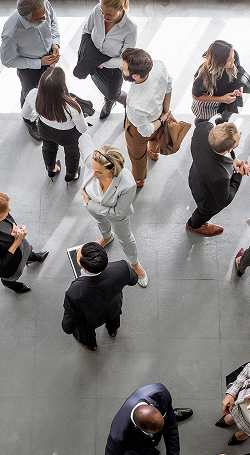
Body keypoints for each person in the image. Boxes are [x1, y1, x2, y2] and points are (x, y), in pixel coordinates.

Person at [78, 133, 148, 287]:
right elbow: (83, 139)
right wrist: (82, 130)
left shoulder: (127, 184)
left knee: (126, 238)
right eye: (93, 169)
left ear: (113, 169)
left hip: (114, 214)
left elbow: (118, 213)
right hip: (93, 205)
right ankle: (107, 236)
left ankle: (134, 263)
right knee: (100, 221)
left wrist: (90, 204)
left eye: (99, 172)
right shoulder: (93, 162)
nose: (93, 174)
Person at [104, 383, 193, 455]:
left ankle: (171, 416)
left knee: (169, 421)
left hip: (157, 415)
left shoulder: (160, 392)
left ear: (152, 405)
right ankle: (146, 453)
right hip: (135, 446)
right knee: (141, 452)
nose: (161, 432)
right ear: (136, 427)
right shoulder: (119, 436)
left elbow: (171, 429)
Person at [62, 242, 138, 352]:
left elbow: (69, 326)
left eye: (79, 252)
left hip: (90, 318)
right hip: (113, 306)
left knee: (86, 333)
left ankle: (92, 346)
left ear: (85, 269)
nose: (78, 249)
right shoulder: (122, 267)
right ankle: (112, 332)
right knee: (114, 320)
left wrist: (67, 327)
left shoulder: (75, 292)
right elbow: (134, 280)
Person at [1, 0, 60, 140]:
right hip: (28, 68)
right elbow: (7, 61)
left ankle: (45, 114)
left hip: (49, 58)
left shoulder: (43, 4)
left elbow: (53, 21)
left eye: (44, 13)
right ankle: (29, 121)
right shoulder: (11, 32)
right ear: (26, 18)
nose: (44, 18)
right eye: (39, 18)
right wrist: (38, 62)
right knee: (30, 95)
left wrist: (55, 43)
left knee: (48, 89)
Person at [21, 66, 87, 182]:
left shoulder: (33, 95)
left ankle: (51, 169)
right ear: (62, 86)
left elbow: (25, 114)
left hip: (45, 130)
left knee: (48, 148)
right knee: (72, 153)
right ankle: (72, 174)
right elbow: (83, 129)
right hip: (68, 135)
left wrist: (39, 116)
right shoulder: (72, 106)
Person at [186, 122, 250, 236]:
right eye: (239, 137)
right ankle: (194, 225)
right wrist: (239, 174)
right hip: (206, 198)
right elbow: (224, 200)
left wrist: (233, 159)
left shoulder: (203, 128)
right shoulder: (220, 177)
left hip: (194, 175)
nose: (240, 133)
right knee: (203, 212)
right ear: (228, 150)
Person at [122, 47, 174, 187]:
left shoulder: (134, 104)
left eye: (124, 68)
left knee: (137, 156)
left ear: (135, 76)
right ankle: (154, 151)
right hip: (160, 114)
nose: (121, 67)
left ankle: (139, 180)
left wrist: (162, 119)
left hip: (140, 128)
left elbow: (145, 130)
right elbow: (169, 85)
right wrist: (166, 113)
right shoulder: (159, 65)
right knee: (156, 136)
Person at [77, 0, 137, 119]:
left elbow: (125, 59)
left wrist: (103, 63)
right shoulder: (97, 9)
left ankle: (128, 106)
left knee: (113, 93)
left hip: (113, 69)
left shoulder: (130, 28)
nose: (103, 16)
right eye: (102, 12)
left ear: (121, 9)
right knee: (104, 89)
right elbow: (86, 32)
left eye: (109, 14)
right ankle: (108, 100)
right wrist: (87, 57)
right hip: (93, 60)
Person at [0, 192, 48, 293]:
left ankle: (32, 257)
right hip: (10, 265)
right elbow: (1, 263)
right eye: (6, 211)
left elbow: (9, 219)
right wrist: (16, 242)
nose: (9, 211)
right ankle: (12, 286)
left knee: (27, 251)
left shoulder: (2, 210)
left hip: (21, 246)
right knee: (10, 279)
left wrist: (16, 228)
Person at [192, 40, 243, 126]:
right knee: (202, 120)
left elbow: (239, 72)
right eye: (229, 60)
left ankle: (221, 122)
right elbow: (195, 95)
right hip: (209, 101)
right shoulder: (202, 76)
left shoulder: (233, 56)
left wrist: (240, 87)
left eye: (233, 56)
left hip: (228, 96)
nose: (233, 60)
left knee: (227, 114)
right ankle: (202, 129)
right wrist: (222, 99)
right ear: (219, 62)